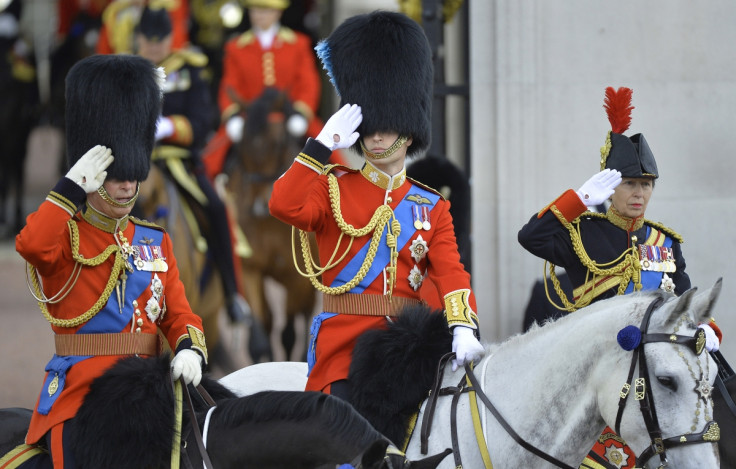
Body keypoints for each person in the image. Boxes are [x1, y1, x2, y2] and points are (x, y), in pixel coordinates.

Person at [268, 11, 485, 400]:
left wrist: (462, 325)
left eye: (387, 125)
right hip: (343, 353)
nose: (378, 134)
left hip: (406, 352)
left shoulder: (430, 206)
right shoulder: (332, 186)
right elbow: (284, 205)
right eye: (370, 126)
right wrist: (319, 147)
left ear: (409, 128)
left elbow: (451, 272)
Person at [15, 54, 207, 469]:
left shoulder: (154, 239)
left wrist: (190, 347)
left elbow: (179, 313)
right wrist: (69, 189)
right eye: (116, 177)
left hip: (151, 393)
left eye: (133, 177)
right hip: (84, 393)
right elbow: (32, 245)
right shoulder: (66, 232)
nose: (125, 187)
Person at [518, 86, 721, 469]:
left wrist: (708, 329)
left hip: (657, 384)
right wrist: (578, 198)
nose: (639, 193)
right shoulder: (585, 232)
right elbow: (531, 236)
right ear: (611, 189)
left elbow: (685, 302)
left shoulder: (665, 242)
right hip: (602, 382)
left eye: (646, 185)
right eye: (630, 184)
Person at [135, 5, 251, 324]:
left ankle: (231, 294)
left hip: (178, 162)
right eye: (148, 39)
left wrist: (171, 127)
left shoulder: (189, 69)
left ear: (171, 38)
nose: (155, 46)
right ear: (138, 39)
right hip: (135, 161)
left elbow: (202, 121)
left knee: (214, 207)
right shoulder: (128, 71)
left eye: (161, 39)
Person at [202, 0, 326, 180]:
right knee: (209, 163)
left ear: (278, 12)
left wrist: (301, 112)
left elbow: (308, 83)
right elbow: (229, 86)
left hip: (289, 114)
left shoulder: (298, 43)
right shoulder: (236, 47)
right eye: (256, 10)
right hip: (249, 117)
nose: (260, 15)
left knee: (332, 158)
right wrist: (233, 116)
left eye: (266, 10)